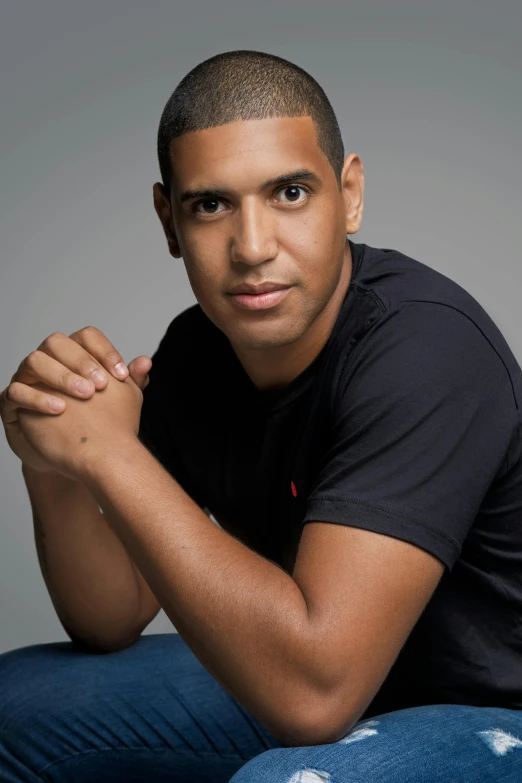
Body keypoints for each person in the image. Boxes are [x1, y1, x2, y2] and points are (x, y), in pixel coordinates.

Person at [0, 48, 521, 783]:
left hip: (493, 711)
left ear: (350, 193)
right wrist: (54, 457)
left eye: (289, 193)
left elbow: (315, 699)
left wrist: (113, 455)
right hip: (315, 672)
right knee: (13, 702)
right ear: (168, 220)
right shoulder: (197, 350)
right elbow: (109, 617)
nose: (252, 247)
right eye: (210, 204)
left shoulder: (427, 347)